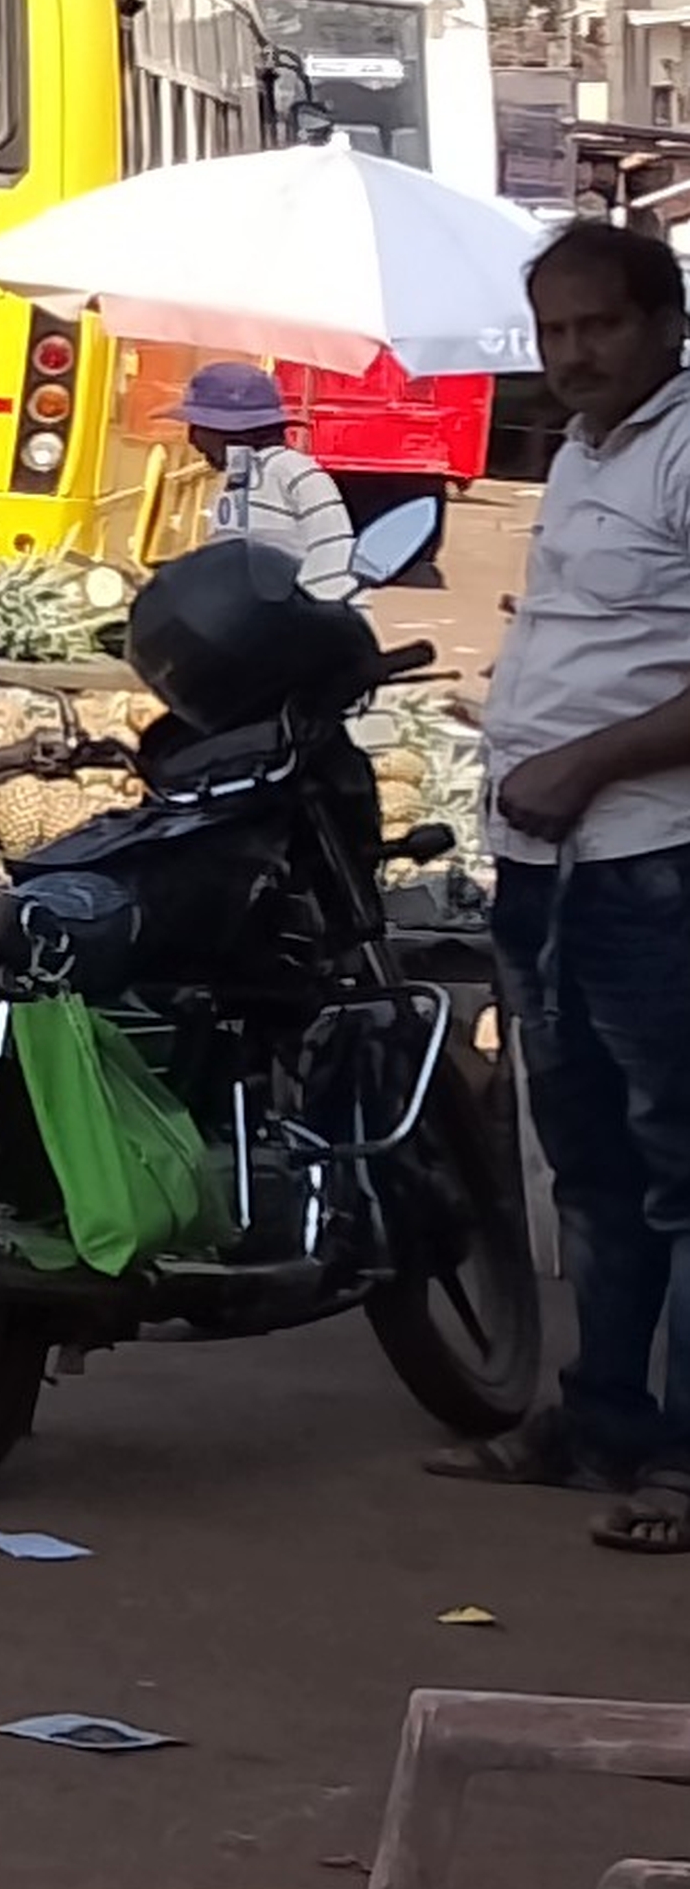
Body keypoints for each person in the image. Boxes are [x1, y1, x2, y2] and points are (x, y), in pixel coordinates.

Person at [466, 220, 690, 1555]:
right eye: (552, 334)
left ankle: (680, 1456)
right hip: (548, 866)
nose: (572, 357)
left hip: (653, 862)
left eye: (597, 327)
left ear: (666, 319)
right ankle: (597, 1418)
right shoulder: (581, 455)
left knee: (679, 1170)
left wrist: (590, 761)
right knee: (592, 1168)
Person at [181, 363, 360, 584]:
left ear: (227, 429)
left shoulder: (295, 473)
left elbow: (335, 560)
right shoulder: (233, 479)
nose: (191, 440)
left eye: (197, 426)